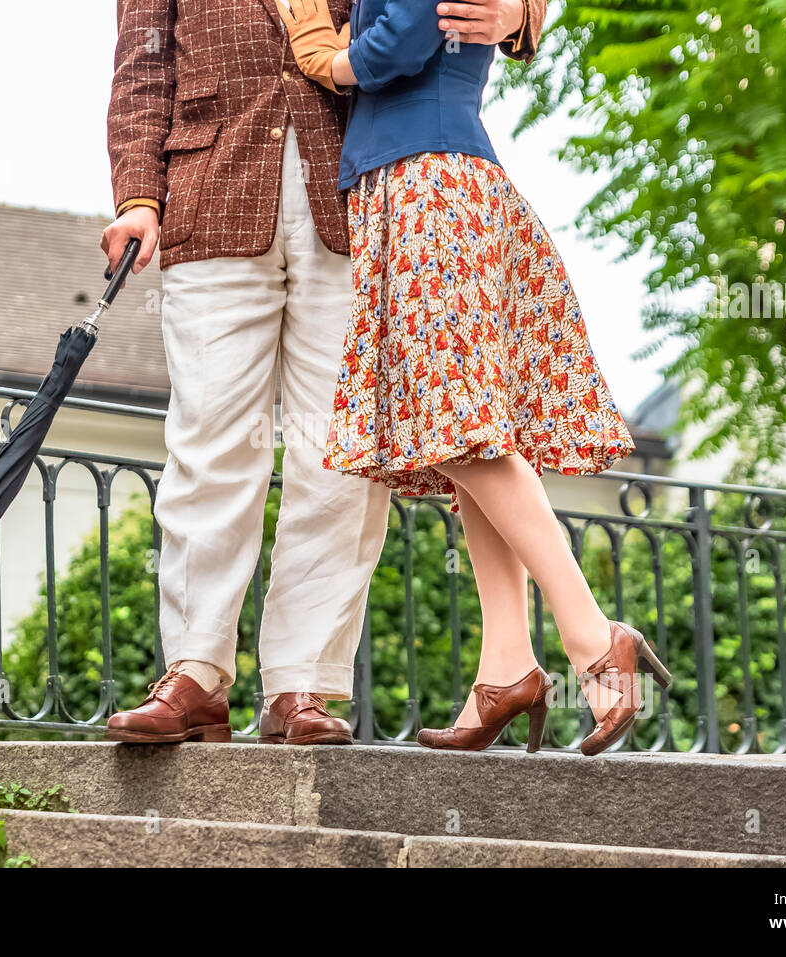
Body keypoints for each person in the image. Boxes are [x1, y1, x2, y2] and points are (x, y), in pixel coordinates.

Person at [101, 0, 536, 745]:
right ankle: (196, 673)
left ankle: (302, 683)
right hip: (211, 195)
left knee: (339, 459)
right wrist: (138, 196)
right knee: (209, 442)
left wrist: (523, 13)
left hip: (353, 194)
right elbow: (143, 64)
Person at [277, 0, 672, 755]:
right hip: (435, 172)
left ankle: (591, 633)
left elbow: (399, 40)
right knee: (466, 431)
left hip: (425, 177)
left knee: (453, 426)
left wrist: (325, 56)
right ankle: (506, 664)